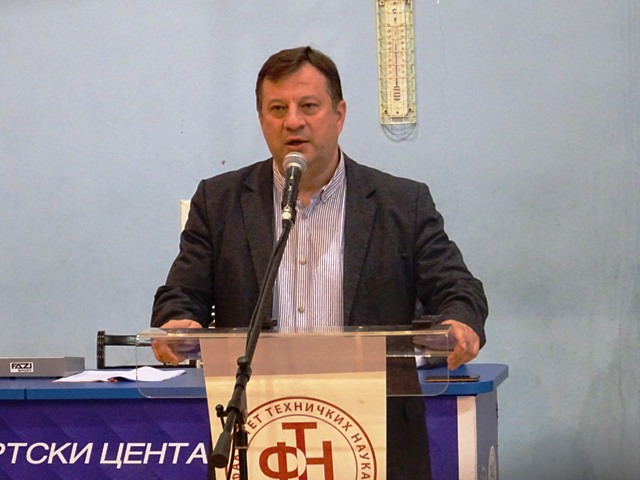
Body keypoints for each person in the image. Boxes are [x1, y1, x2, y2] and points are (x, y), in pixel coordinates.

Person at [151, 46, 488, 479]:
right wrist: (178, 322)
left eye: (308, 106)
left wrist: (459, 321)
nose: (293, 121)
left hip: (376, 436)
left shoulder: (402, 203)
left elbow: (457, 288)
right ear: (261, 119)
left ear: (339, 114)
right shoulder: (219, 202)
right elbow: (182, 293)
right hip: (260, 431)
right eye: (277, 108)